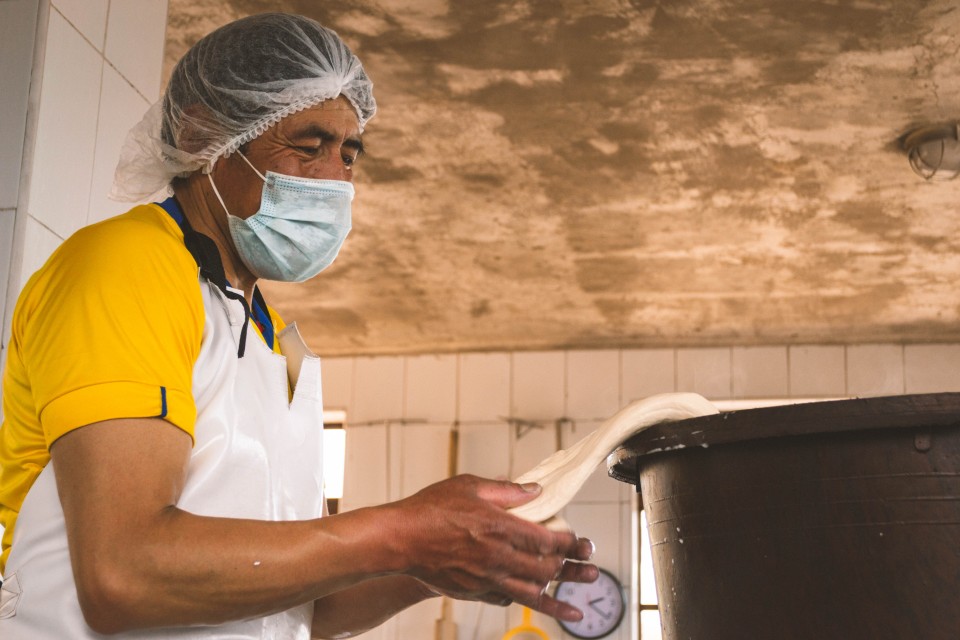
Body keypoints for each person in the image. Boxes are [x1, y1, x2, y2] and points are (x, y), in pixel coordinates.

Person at [0, 12, 597, 640]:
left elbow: (306, 610)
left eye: (349, 154)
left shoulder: (266, 333)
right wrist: (400, 533)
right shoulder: (127, 266)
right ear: (207, 135)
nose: (334, 179)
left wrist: (443, 560)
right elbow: (124, 573)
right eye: (307, 147)